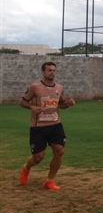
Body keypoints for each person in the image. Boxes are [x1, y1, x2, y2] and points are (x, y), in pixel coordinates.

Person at [19, 61, 76, 190]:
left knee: (59, 151)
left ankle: (49, 181)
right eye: (49, 70)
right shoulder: (35, 87)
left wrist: (68, 104)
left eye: (54, 70)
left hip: (55, 124)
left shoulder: (59, 88)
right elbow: (22, 102)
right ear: (43, 72)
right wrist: (32, 107)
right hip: (38, 126)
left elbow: (60, 104)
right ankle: (26, 168)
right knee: (38, 157)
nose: (52, 73)